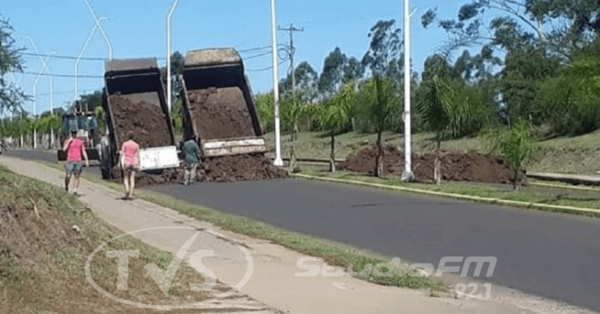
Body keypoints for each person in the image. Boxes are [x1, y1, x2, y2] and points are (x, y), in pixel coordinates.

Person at [64, 130, 89, 195]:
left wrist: (86, 160)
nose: (73, 135)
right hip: (70, 160)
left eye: (74, 134)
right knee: (68, 175)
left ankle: (75, 190)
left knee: (77, 175)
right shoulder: (68, 141)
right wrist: (69, 141)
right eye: (72, 134)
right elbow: (64, 149)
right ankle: (66, 185)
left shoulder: (80, 142)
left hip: (78, 160)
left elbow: (83, 151)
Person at [119, 131, 140, 200]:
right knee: (132, 178)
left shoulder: (125, 144)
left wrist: (120, 162)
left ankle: (127, 190)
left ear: (128, 136)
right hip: (134, 162)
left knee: (125, 177)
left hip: (127, 162)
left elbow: (122, 153)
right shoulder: (136, 145)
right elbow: (138, 155)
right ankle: (131, 194)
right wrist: (139, 164)